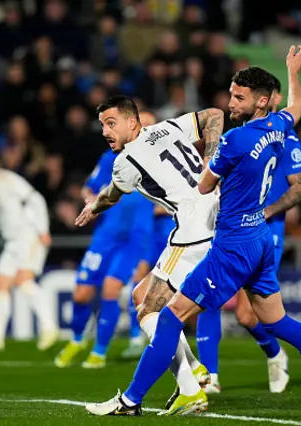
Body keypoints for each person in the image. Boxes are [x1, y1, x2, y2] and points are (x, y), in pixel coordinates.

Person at [83, 46, 301, 417]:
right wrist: (293, 73)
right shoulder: (276, 126)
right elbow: (297, 109)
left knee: (167, 316)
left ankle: (134, 399)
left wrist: (210, 161)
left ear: (260, 101)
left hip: (229, 241)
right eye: (231, 94)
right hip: (260, 237)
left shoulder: (236, 140)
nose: (230, 101)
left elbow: (204, 185)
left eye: (239, 97)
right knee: (277, 321)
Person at [73, 94, 225, 415]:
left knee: (146, 309)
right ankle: (192, 375)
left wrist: (94, 207)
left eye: (111, 123)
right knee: (143, 296)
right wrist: (211, 160)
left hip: (193, 230)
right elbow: (214, 115)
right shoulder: (168, 128)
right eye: (102, 125)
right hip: (217, 217)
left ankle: (178, 386)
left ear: (133, 121)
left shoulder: (125, 162)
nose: (105, 131)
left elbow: (112, 195)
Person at [195, 75, 301, 395]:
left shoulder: (286, 136)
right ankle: (210, 376)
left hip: (265, 229)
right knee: (209, 296)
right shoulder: (240, 135)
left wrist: (268, 212)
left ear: (268, 100)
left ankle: (274, 352)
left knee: (248, 316)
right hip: (230, 224)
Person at [54, 114, 156, 369]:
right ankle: (77, 339)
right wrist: (95, 201)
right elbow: (88, 189)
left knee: (111, 290)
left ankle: (99, 351)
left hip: (135, 238)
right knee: (81, 294)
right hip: (106, 236)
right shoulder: (111, 158)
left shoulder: (158, 160)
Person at [0, 146, 58, 352]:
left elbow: (35, 199)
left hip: (29, 235)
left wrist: (43, 229)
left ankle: (50, 328)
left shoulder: (8, 180)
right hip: (11, 243)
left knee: (24, 282)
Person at [122, 204, 175, 359]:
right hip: (150, 238)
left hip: (172, 238)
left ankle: (167, 337)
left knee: (174, 290)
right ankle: (136, 338)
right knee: (138, 284)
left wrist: (163, 208)